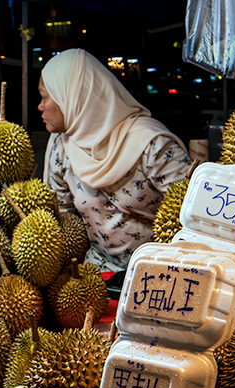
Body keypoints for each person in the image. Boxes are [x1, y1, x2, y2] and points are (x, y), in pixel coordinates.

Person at [40, 48, 192, 272]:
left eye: (44, 97)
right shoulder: (60, 145)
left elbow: (193, 217)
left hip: (160, 275)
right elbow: (60, 217)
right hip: (96, 275)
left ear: (71, 97)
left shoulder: (152, 145)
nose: (40, 106)